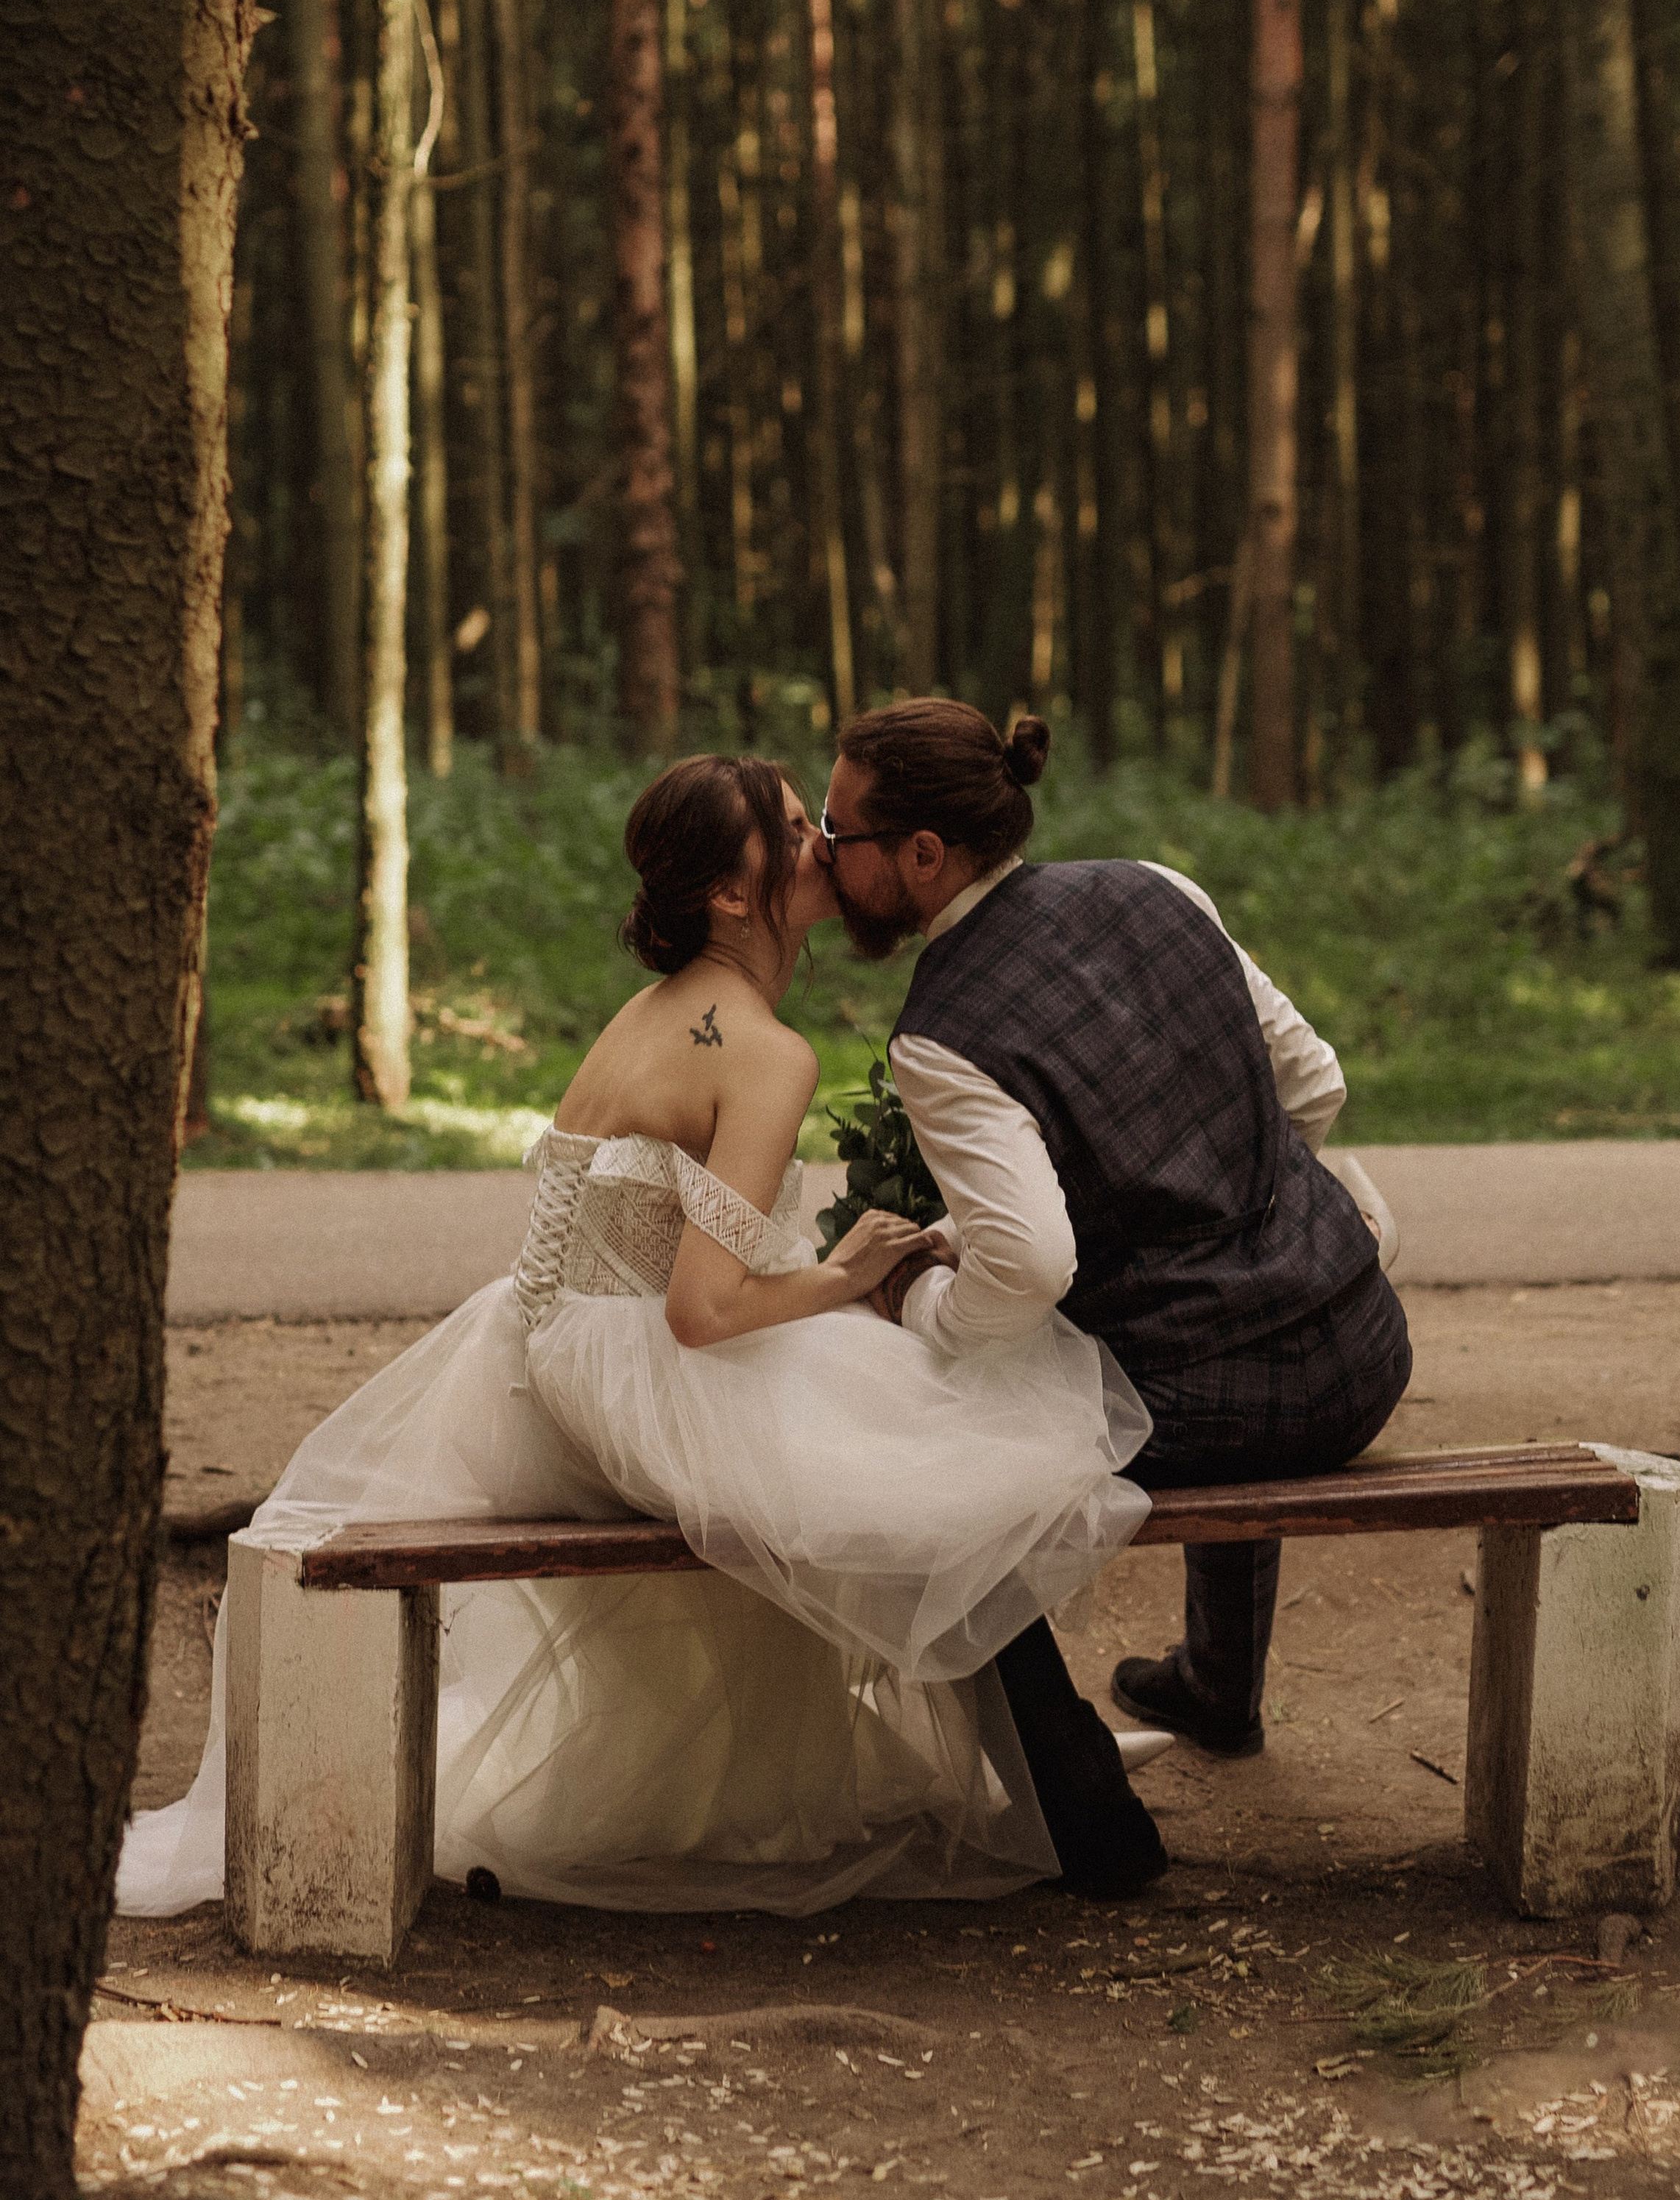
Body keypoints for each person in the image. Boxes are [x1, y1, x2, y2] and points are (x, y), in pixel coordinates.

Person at [117, 757, 1162, 1925]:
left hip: (546, 1348)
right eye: (789, 829)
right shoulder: (763, 1050)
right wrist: (844, 1276)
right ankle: (1072, 1799)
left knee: (929, 1437)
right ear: (730, 895)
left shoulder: (658, 1012)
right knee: (967, 1460)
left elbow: (660, 1251)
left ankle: (1059, 1773)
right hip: (642, 1372)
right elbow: (701, 1312)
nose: (821, 838)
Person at [819, 698, 1411, 1895]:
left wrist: (917, 1306)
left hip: (1240, 1409)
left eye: (840, 837)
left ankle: (1090, 1825)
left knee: (940, 1485)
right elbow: (1315, 1082)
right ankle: (1216, 1685)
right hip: (1365, 1339)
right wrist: (1222, 1197)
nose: (825, 863)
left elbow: (1030, 1267)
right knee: (1191, 1330)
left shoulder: (942, 1035)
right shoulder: (1155, 886)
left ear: (922, 856)